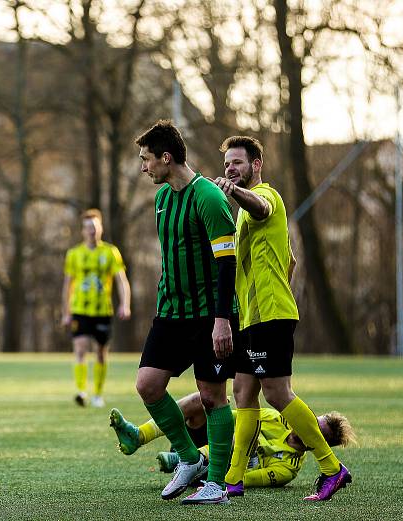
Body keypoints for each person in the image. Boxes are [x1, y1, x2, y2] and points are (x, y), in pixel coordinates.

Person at [212, 135, 352, 501]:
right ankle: (233, 480)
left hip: (270, 316)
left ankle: (331, 468)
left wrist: (232, 190)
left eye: (237, 163)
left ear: (255, 165)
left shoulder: (267, 196)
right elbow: (291, 260)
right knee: (243, 392)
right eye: (227, 164)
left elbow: (260, 207)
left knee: (277, 392)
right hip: (252, 319)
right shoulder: (241, 214)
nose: (230, 169)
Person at [133, 120, 238, 505]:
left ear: (166, 157)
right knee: (147, 385)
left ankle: (217, 485)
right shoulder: (162, 200)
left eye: (146, 159)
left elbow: (227, 263)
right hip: (170, 313)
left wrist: (222, 320)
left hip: (210, 316)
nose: (143, 167)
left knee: (212, 397)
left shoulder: (208, 197)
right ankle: (190, 459)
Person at [109, 393, 356, 490]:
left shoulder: (288, 468)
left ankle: (189, 461)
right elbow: (231, 418)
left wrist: (214, 482)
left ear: (317, 443)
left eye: (316, 428)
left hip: (216, 470)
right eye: (312, 418)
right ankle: (139, 436)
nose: (309, 422)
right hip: (207, 440)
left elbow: (248, 479)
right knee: (209, 399)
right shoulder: (276, 418)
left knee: (242, 441)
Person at [61, 208, 131, 408]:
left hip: (102, 311)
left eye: (94, 227)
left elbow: (121, 280)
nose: (91, 231)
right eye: (87, 228)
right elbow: (67, 285)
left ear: (100, 228)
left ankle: (98, 394)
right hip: (80, 310)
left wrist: (125, 304)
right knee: (80, 349)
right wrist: (66, 313)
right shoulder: (74, 254)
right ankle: (81, 391)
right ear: (82, 231)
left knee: (100, 352)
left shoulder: (110, 252)